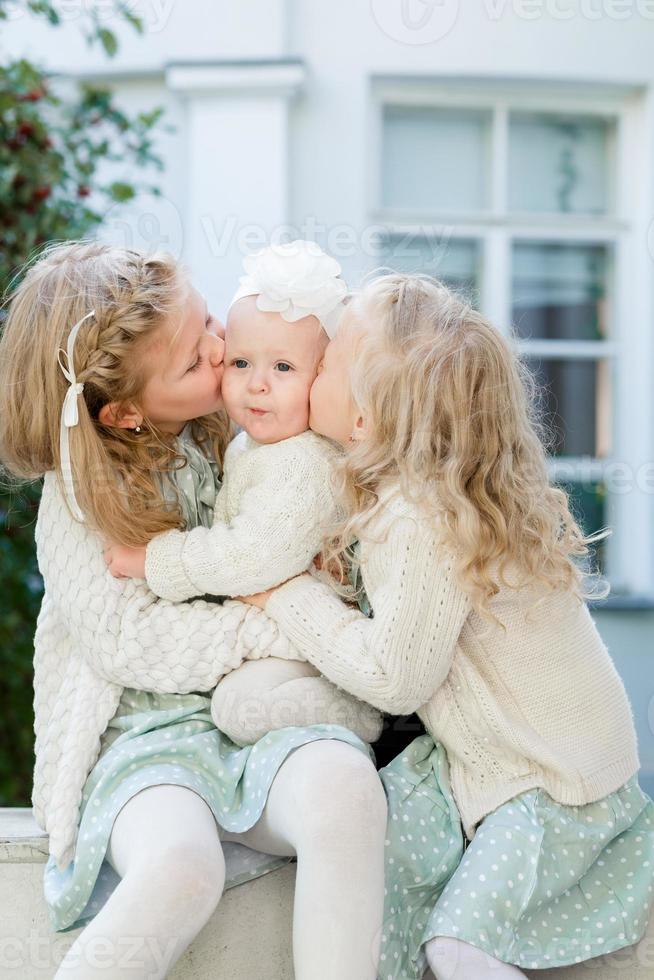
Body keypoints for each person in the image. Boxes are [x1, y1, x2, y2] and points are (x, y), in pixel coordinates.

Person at [239, 273, 654, 980]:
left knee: (457, 949)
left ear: (367, 420)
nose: (312, 368)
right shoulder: (434, 492)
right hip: (528, 770)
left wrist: (284, 596)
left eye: (331, 357)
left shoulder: (420, 516)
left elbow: (393, 677)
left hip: (550, 789)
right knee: (383, 854)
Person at [0, 240, 387, 980]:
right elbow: (129, 642)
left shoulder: (239, 434)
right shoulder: (79, 499)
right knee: (181, 865)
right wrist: (287, 621)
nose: (222, 350)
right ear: (123, 414)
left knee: (347, 793)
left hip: (254, 715)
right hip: (142, 736)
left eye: (209, 320)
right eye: (192, 359)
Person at [104, 240, 382, 747]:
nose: (257, 385)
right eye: (240, 363)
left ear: (322, 378)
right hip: (280, 636)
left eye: (282, 369)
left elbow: (252, 554)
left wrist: (155, 560)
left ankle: (362, 717)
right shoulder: (253, 442)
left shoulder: (303, 460)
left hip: (315, 644)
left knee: (237, 709)